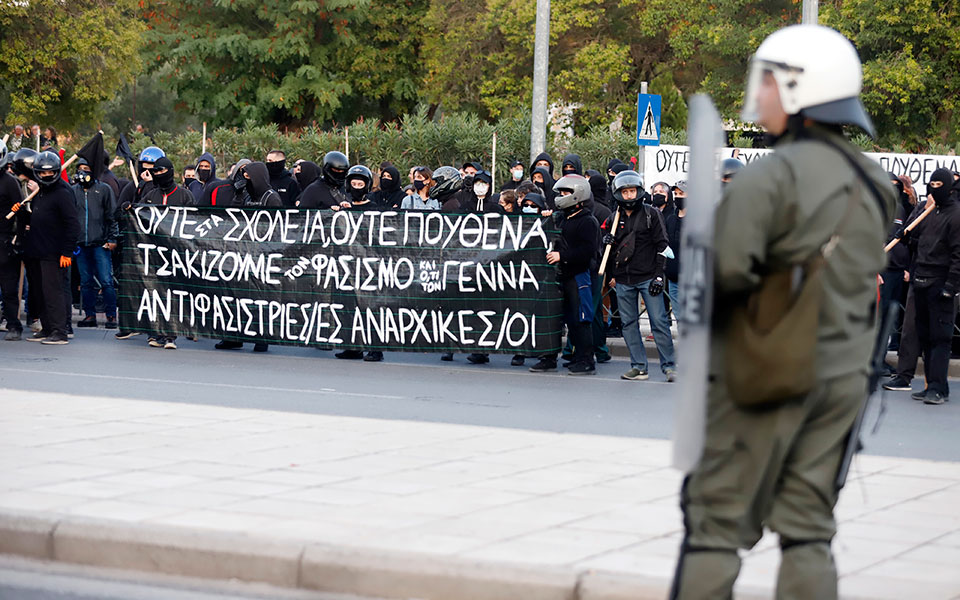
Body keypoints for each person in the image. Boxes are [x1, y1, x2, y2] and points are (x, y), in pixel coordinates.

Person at [670, 25, 895, 600]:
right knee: (807, 531)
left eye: (768, 81)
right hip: (843, 379)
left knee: (714, 526)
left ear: (799, 89)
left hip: (763, 371)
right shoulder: (874, 182)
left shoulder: (770, 176)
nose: (760, 93)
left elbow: (723, 275)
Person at [602, 169, 676, 382]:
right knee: (628, 324)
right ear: (618, 193)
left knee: (659, 322)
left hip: (647, 278)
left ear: (639, 191)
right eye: (625, 192)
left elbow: (663, 246)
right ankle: (638, 366)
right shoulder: (613, 217)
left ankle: (669, 366)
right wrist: (607, 241)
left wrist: (659, 276)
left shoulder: (652, 214)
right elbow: (609, 248)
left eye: (632, 191)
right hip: (624, 280)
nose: (629, 196)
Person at [528, 174, 598, 375]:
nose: (562, 196)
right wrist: (545, 218)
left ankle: (586, 359)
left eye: (566, 192)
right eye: (561, 192)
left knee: (580, 319)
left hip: (578, 276)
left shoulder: (587, 221)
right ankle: (553, 358)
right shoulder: (563, 218)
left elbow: (587, 252)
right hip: (561, 277)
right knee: (560, 318)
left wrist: (562, 256)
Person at [908, 168, 960, 406]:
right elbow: (915, 236)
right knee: (926, 336)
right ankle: (935, 384)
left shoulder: (956, 214)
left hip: (940, 281)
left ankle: (937, 388)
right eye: (931, 183)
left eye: (938, 183)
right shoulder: (929, 212)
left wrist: (950, 284)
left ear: (948, 186)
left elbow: (958, 254)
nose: (933, 187)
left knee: (940, 338)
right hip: (921, 279)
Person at [17, 151, 80, 345]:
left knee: (54, 292)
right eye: (42, 173)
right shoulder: (40, 192)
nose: (46, 176)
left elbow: (73, 224)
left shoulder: (63, 192)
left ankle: (59, 332)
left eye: (50, 173)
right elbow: (37, 219)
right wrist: (21, 213)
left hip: (55, 253)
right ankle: (47, 328)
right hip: (36, 251)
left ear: (56, 172)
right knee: (40, 292)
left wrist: (67, 252)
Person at [138, 157, 195, 349]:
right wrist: (130, 209)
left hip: (177, 254)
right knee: (154, 294)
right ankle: (156, 333)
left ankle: (170, 335)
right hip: (154, 253)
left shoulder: (184, 196)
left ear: (170, 171)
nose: (158, 176)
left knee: (173, 294)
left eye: (162, 172)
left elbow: (195, 223)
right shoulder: (150, 195)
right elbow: (139, 218)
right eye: (156, 172)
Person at [71, 158, 118, 329]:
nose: (83, 172)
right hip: (81, 244)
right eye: (80, 168)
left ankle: (111, 316)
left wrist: (112, 239)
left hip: (100, 243)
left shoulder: (104, 190)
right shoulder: (73, 190)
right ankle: (89, 315)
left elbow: (112, 216)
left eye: (86, 168)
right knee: (85, 282)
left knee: (106, 281)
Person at [0, 141, 25, 340]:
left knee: (9, 288)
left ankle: (14, 325)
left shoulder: (10, 182)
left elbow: (21, 213)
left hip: (5, 242)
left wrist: (18, 239)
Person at [663, 180, 687, 322]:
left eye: (682, 193)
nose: (678, 197)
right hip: (673, 279)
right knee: (679, 318)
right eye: (676, 194)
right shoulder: (671, 219)